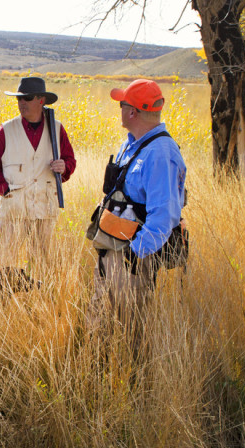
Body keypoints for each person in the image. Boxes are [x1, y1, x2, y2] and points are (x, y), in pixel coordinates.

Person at [88, 79, 187, 353]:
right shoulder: (132, 145)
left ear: (133, 112)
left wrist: (134, 255)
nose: (119, 109)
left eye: (122, 104)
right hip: (110, 252)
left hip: (131, 260)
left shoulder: (160, 153)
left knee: (131, 334)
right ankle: (101, 381)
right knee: (99, 327)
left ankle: (134, 388)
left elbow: (164, 216)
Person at [0, 76, 76, 274]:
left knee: (43, 261)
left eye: (27, 98)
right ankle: (6, 301)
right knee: (7, 261)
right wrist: (6, 190)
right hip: (14, 210)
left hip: (45, 208)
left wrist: (63, 167)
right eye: (19, 99)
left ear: (41, 100)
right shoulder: (6, 130)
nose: (22, 102)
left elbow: (70, 161)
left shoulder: (57, 129)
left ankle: (39, 302)